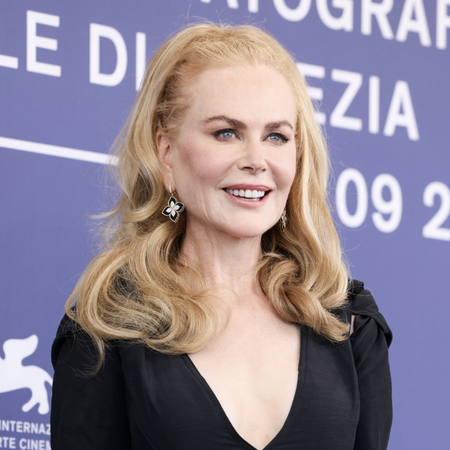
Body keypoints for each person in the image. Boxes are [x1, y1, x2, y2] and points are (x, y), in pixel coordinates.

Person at [50, 23, 392, 450]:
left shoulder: (348, 322)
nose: (256, 160)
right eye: (226, 133)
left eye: (276, 136)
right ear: (166, 153)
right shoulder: (110, 323)